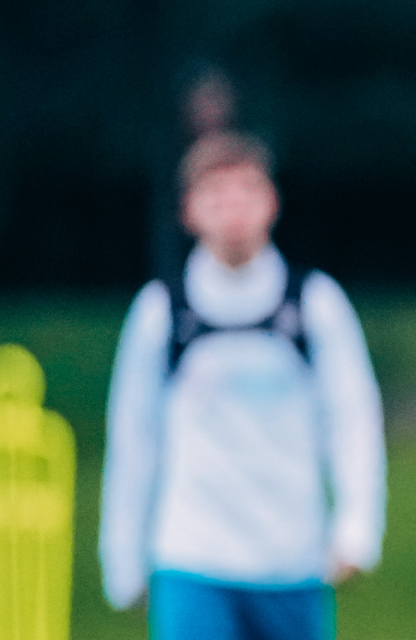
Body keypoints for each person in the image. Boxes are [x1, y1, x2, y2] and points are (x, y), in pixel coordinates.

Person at [101, 131, 385, 640]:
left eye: (247, 191)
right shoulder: (160, 312)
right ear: (188, 210)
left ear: (271, 202)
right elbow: (133, 436)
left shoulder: (315, 303)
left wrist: (357, 528)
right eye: (216, 194)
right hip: (193, 557)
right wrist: (122, 556)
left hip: (291, 559)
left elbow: (353, 418)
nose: (233, 208)